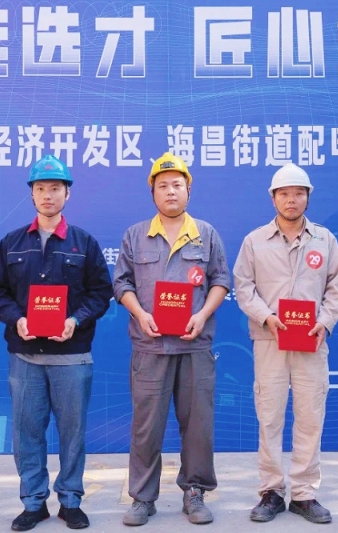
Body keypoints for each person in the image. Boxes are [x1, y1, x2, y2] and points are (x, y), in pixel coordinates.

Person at [0, 155, 113, 531]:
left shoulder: (83, 243)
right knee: (27, 433)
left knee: (73, 434)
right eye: (40, 188)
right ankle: (33, 502)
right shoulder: (12, 243)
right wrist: (17, 319)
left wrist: (75, 320)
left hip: (72, 355)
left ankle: (70, 500)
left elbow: (101, 294)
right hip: (25, 356)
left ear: (67, 194)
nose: (47, 195)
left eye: (55, 188)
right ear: (32, 194)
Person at [112, 152, 230, 527]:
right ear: (153, 192)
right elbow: (121, 283)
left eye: (177, 184)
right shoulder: (135, 235)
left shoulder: (206, 234)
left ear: (188, 189)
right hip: (150, 347)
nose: (170, 191)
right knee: (146, 427)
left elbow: (221, 281)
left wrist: (202, 314)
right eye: (162, 185)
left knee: (198, 426)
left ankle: (194, 492)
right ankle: (143, 497)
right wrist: (140, 313)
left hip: (195, 346)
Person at [233, 163, 338, 524]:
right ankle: (271, 490)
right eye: (284, 193)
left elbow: (337, 288)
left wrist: (325, 322)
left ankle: (304, 493)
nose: (291, 200)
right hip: (269, 339)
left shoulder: (325, 240)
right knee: (269, 416)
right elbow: (243, 288)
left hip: (312, 341)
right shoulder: (255, 241)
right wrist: (266, 316)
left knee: (310, 416)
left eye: (299, 193)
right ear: (273, 198)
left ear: (308, 197)